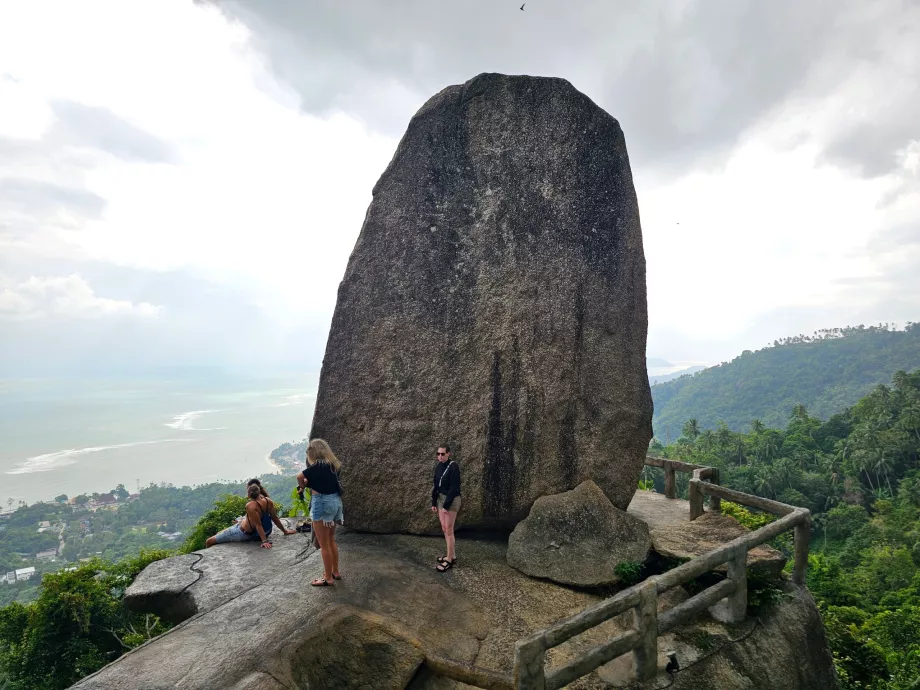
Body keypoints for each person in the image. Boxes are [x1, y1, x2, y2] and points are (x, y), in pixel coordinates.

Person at [297, 438, 344, 586]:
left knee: (324, 544)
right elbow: (323, 481)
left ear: (312, 453)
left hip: (322, 504)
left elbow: (300, 476)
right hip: (335, 503)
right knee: (331, 539)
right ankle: (335, 571)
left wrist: (302, 487)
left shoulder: (316, 466)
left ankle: (328, 578)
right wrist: (309, 483)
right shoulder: (333, 465)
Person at [206, 482, 295, 548]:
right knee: (220, 532)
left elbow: (258, 525)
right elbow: (275, 518)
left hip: (244, 533)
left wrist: (264, 541)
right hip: (266, 531)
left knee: (209, 541)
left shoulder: (251, 506)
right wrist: (285, 531)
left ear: (249, 495)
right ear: (259, 492)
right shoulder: (268, 501)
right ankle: (239, 522)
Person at [431, 444, 461, 571]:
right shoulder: (439, 466)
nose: (440, 456)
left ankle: (449, 559)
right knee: (444, 528)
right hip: (441, 499)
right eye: (438, 454)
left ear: (448, 454)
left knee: (449, 530)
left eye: (442, 454)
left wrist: (446, 506)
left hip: (451, 500)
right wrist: (434, 502)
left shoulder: (453, 467)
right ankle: (452, 555)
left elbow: (454, 488)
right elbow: (436, 485)